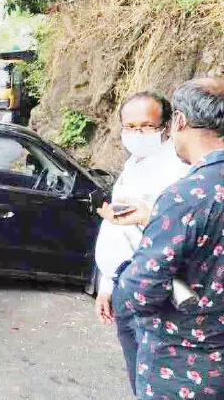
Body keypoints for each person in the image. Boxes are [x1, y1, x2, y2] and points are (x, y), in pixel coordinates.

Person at [113, 78, 224, 399]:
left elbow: (141, 293)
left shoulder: (186, 194)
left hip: (185, 366)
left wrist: (123, 279)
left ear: (178, 121)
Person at [93, 92, 191, 394]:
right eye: (130, 127)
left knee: (156, 382)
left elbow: (183, 235)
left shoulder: (180, 171)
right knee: (136, 374)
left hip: (156, 293)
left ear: (167, 125)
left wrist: (148, 217)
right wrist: (106, 285)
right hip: (123, 283)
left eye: (146, 126)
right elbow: (116, 229)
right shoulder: (133, 164)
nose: (137, 134)